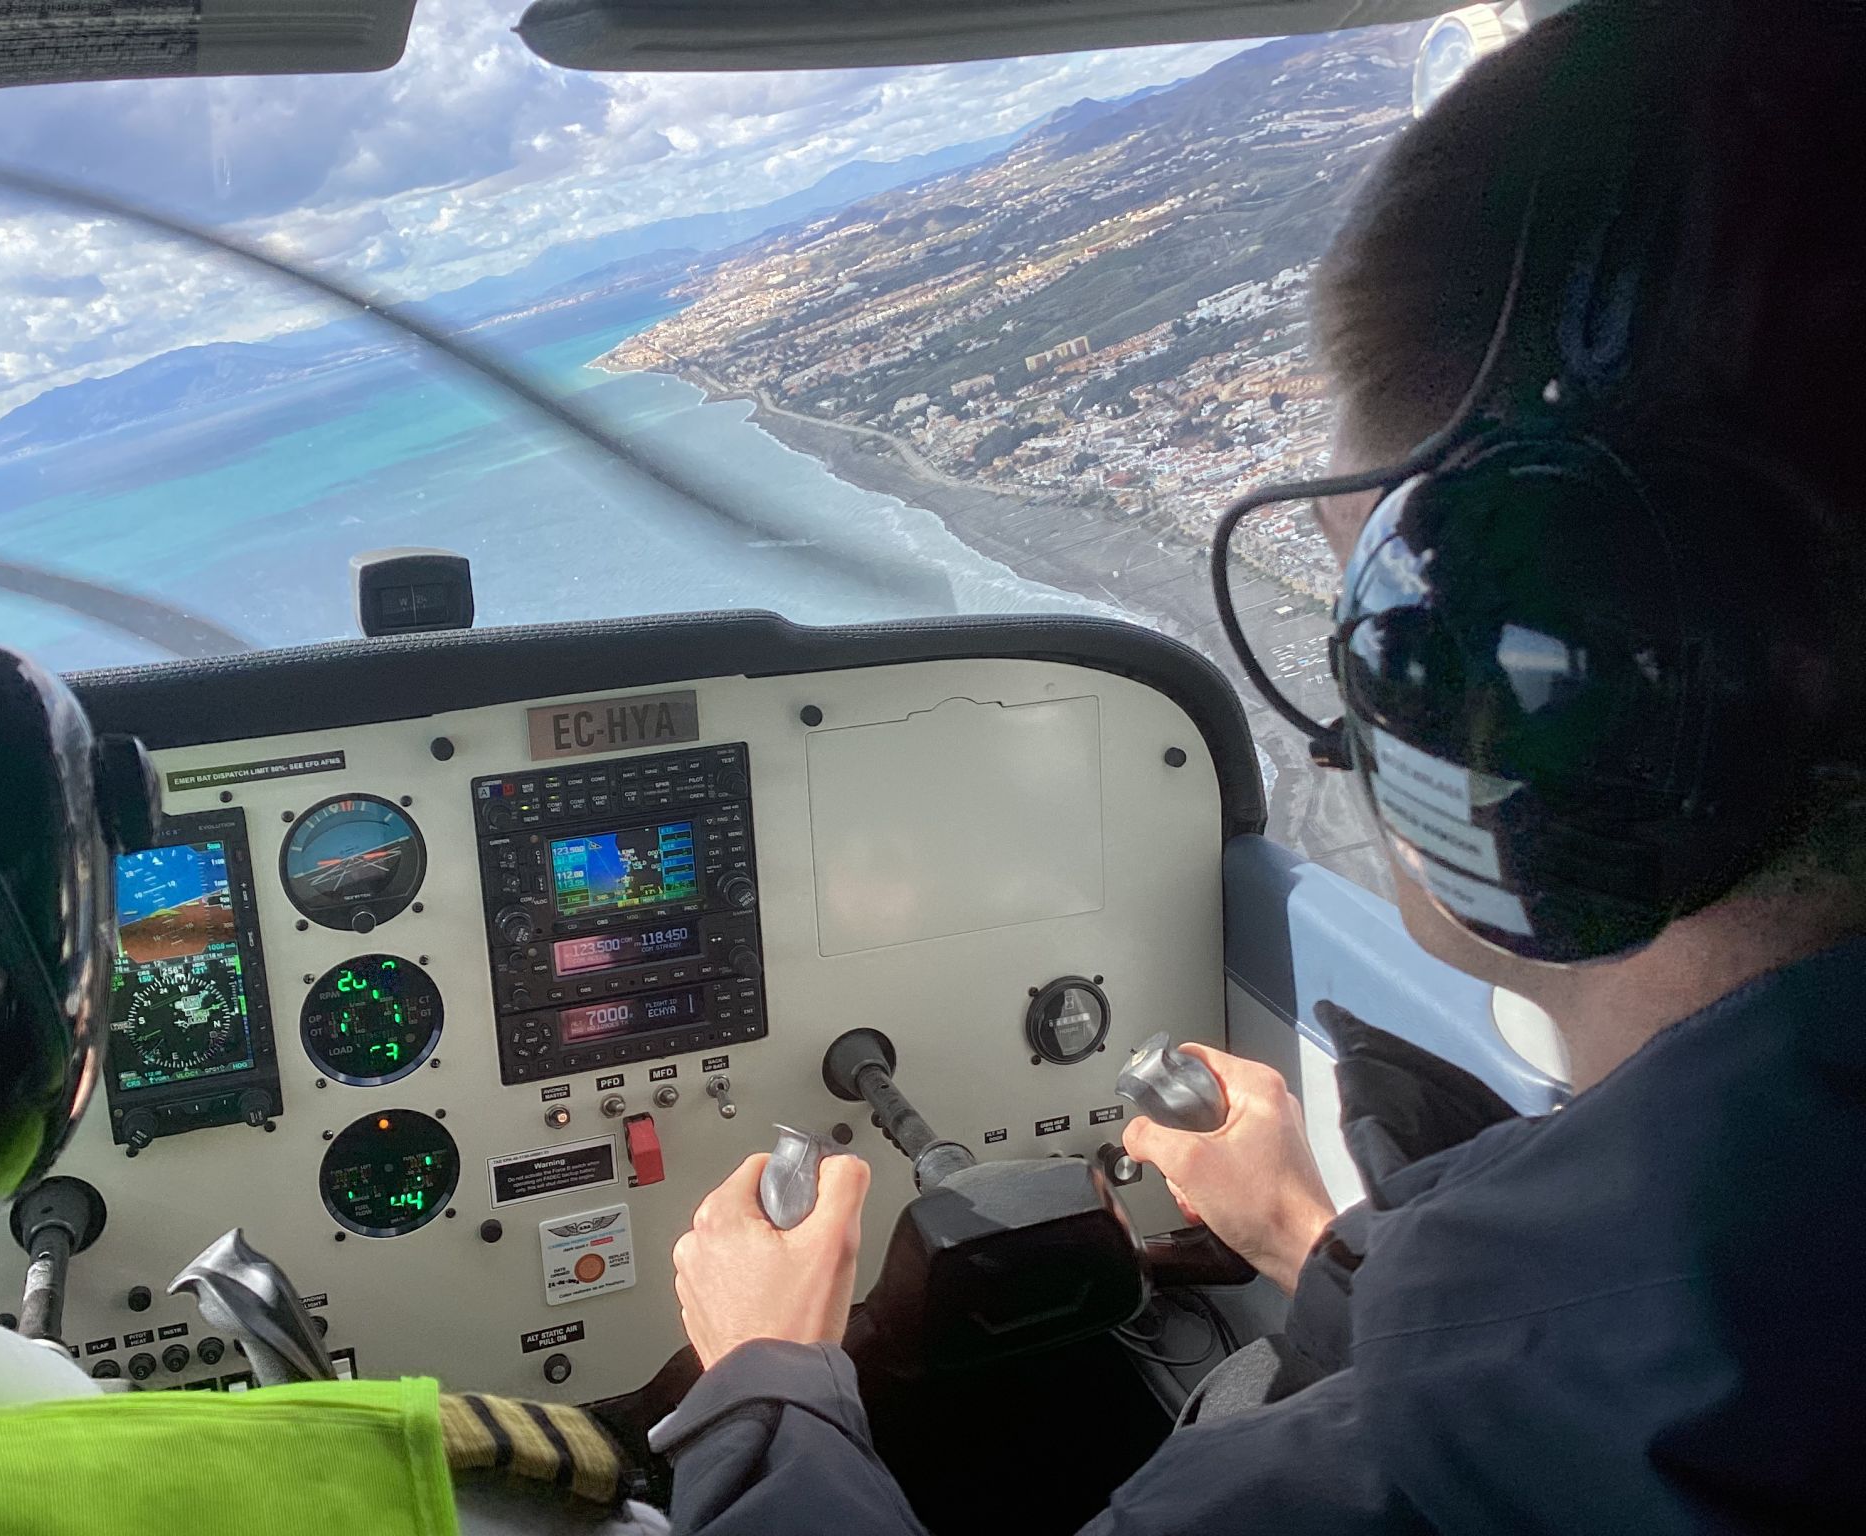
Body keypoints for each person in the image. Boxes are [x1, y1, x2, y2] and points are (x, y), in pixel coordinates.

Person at [653, 2, 1866, 1528]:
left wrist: (762, 1379)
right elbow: (1631, 1350)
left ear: (1516, 711)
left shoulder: (1393, 1487)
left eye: (1394, 629)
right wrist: (1315, 1241)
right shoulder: (1714, 1319)